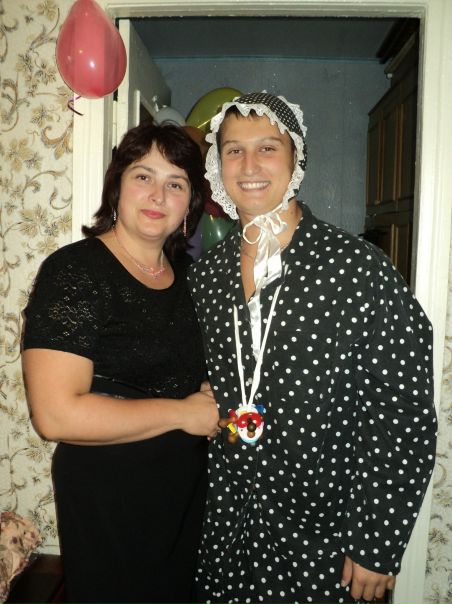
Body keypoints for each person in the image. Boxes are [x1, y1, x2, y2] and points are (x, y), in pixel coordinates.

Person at [188, 92, 437, 604]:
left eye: (267, 148)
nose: (249, 166)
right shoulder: (206, 275)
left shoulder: (357, 268)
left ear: (295, 158)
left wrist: (376, 542)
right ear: (218, 164)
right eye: (234, 150)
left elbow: (404, 409)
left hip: (326, 538)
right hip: (229, 528)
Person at [21, 120, 220, 604]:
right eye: (143, 176)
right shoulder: (74, 271)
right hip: (111, 500)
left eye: (176, 183)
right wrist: (183, 412)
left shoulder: (190, 276)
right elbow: (56, 415)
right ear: (117, 186)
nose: (158, 195)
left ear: (190, 204)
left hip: (184, 495)